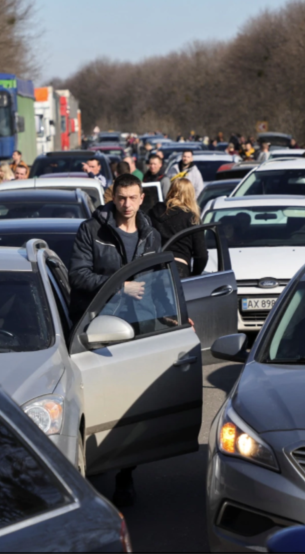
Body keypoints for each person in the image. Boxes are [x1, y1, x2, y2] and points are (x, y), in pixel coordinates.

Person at [69, 174, 162, 507]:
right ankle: (90, 467)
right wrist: (117, 285)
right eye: (121, 198)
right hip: (97, 329)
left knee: (133, 403)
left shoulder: (151, 233)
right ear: (113, 197)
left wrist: (174, 316)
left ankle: (126, 475)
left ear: (141, 199)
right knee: (99, 400)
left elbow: (158, 281)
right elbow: (77, 275)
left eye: (133, 198)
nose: (127, 204)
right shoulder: (92, 230)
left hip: (139, 328)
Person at [149, 178, 208, 278]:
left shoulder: (154, 212)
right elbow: (201, 255)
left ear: (171, 191)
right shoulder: (192, 218)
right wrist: (195, 275)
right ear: (190, 195)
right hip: (180, 269)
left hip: (155, 268)